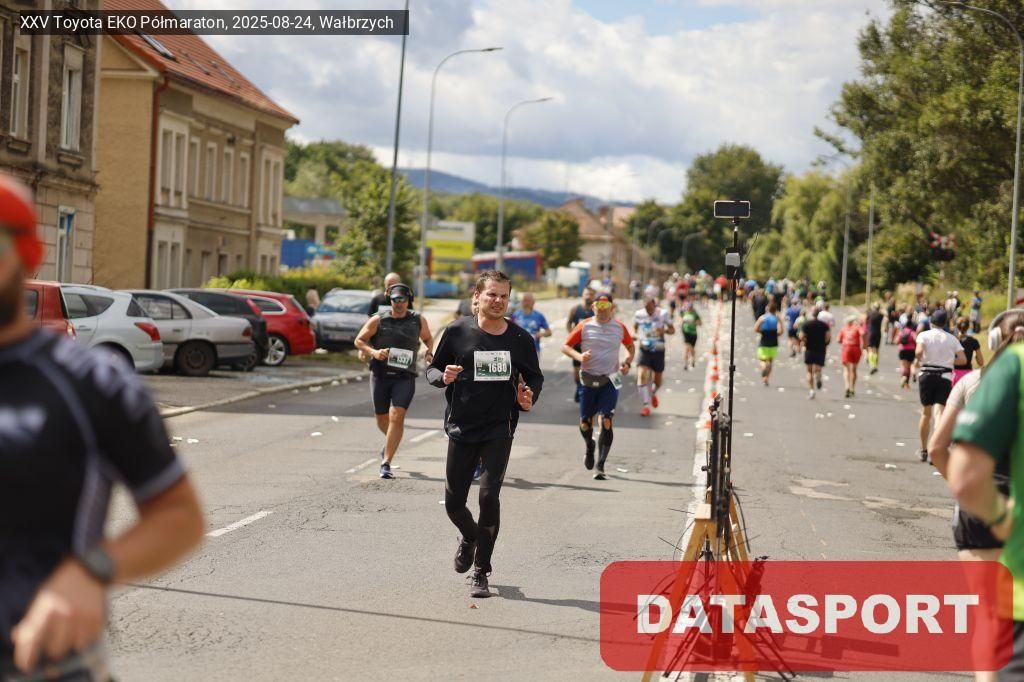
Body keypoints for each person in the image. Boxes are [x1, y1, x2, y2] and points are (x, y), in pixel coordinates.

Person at [0, 175, 205, 678]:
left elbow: (179, 516)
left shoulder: (90, 383)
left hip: (39, 665)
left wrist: (92, 572)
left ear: (26, 255)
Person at [426, 270, 543, 599]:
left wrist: (529, 395)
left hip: (499, 428)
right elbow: (432, 369)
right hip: (462, 426)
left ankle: (481, 570)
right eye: (492, 294)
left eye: (504, 296)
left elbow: (535, 377)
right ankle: (470, 536)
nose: (498, 301)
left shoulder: (519, 339)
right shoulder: (457, 331)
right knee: (454, 503)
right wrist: (443, 377)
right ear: (477, 297)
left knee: (489, 498)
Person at [946, 312, 1024, 680]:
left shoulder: (1000, 374)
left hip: (989, 506)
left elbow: (943, 452)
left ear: (995, 341)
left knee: (988, 617)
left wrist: (997, 512)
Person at [354, 283, 434, 479]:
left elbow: (428, 339)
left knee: (396, 417)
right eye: (395, 299)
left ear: (409, 300)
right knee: (382, 419)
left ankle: (386, 462)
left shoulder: (417, 320)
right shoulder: (378, 320)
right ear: (390, 300)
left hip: (405, 376)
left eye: (402, 299)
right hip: (380, 375)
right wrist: (374, 352)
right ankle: (391, 442)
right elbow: (359, 340)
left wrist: (429, 352)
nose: (399, 303)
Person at [562, 293, 635, 481]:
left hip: (611, 379)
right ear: (593, 307)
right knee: (585, 423)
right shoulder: (584, 325)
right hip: (588, 378)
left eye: (605, 306)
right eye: (598, 306)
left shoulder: (619, 327)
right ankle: (589, 445)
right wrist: (579, 357)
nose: (601, 309)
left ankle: (600, 465)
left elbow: (630, 347)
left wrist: (627, 363)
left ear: (612, 307)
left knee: (607, 420)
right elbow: (566, 346)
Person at [916, 309, 966, 463]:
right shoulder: (952, 339)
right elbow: (963, 360)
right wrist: (949, 361)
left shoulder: (923, 335)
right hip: (944, 376)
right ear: (945, 323)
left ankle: (923, 450)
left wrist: (923, 359)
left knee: (926, 413)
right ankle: (934, 452)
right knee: (939, 413)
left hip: (926, 374)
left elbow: (918, 352)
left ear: (931, 322)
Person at [633, 296, 674, 416]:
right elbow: (634, 329)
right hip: (644, 349)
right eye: (646, 309)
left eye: (650, 309)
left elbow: (672, 330)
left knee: (658, 381)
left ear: (655, 306)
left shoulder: (663, 314)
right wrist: (635, 335)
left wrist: (664, 331)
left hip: (658, 350)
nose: (649, 311)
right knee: (641, 375)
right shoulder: (639, 314)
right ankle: (645, 405)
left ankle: (652, 392)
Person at [566, 286, 596, 402]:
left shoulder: (596, 311)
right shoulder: (575, 309)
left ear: (593, 296)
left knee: (589, 372)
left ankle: (584, 392)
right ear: (583, 295)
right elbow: (569, 323)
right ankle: (579, 388)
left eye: (590, 294)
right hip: (577, 347)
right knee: (577, 374)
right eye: (586, 294)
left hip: (591, 348)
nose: (588, 296)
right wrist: (572, 334)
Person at [800, 308, 830, 399]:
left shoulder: (806, 324)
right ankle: (818, 375)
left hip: (809, 349)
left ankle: (812, 390)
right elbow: (828, 337)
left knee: (809, 371)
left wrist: (805, 341)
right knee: (818, 368)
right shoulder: (824, 325)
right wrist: (825, 343)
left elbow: (801, 336)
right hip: (820, 349)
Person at [754, 302, 781, 387]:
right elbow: (781, 331)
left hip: (764, 341)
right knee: (770, 361)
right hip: (773, 342)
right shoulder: (776, 318)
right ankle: (766, 378)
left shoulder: (762, 318)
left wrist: (761, 331)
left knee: (762, 359)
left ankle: (764, 366)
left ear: (767, 308)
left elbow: (755, 328)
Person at [837, 315, 865, 398]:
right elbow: (863, 334)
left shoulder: (843, 328)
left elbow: (838, 340)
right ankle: (852, 388)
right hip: (856, 348)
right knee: (854, 369)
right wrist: (863, 345)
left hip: (846, 348)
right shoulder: (857, 327)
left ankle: (847, 387)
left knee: (846, 369)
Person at [953, 315, 985, 386]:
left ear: (957, 327)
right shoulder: (973, 341)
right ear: (968, 327)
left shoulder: (952, 340)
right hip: (967, 376)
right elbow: (981, 362)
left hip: (953, 375)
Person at [680, 300, 702, 370]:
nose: (689, 309)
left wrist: (693, 322)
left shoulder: (695, 314)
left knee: (692, 348)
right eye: (688, 307)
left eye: (690, 307)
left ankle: (692, 359)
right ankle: (685, 363)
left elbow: (700, 323)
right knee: (687, 348)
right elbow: (680, 322)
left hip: (693, 333)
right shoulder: (684, 313)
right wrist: (682, 323)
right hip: (686, 332)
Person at [897, 314, 918, 389]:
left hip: (902, 350)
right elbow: (916, 341)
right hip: (911, 351)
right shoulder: (912, 332)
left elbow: (897, 341)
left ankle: (903, 376)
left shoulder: (902, 332)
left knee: (903, 365)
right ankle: (907, 383)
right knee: (909, 366)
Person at [865, 302, 884, 375]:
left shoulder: (870, 314)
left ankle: (872, 365)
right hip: (878, 333)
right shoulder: (881, 315)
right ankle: (875, 365)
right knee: (876, 350)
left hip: (871, 333)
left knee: (870, 349)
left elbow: (866, 322)